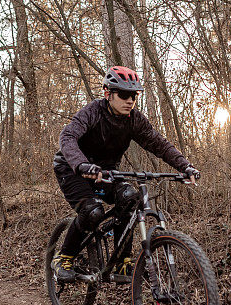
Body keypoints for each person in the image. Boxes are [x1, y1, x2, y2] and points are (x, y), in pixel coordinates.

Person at [52, 65, 199, 282]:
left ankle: (122, 262)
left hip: (107, 173)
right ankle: (63, 258)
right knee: (92, 211)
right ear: (108, 94)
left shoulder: (134, 120)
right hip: (71, 169)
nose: (129, 100)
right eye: (123, 95)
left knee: (130, 198)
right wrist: (82, 165)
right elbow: (67, 138)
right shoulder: (92, 112)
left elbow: (159, 144)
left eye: (134, 95)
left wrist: (185, 167)